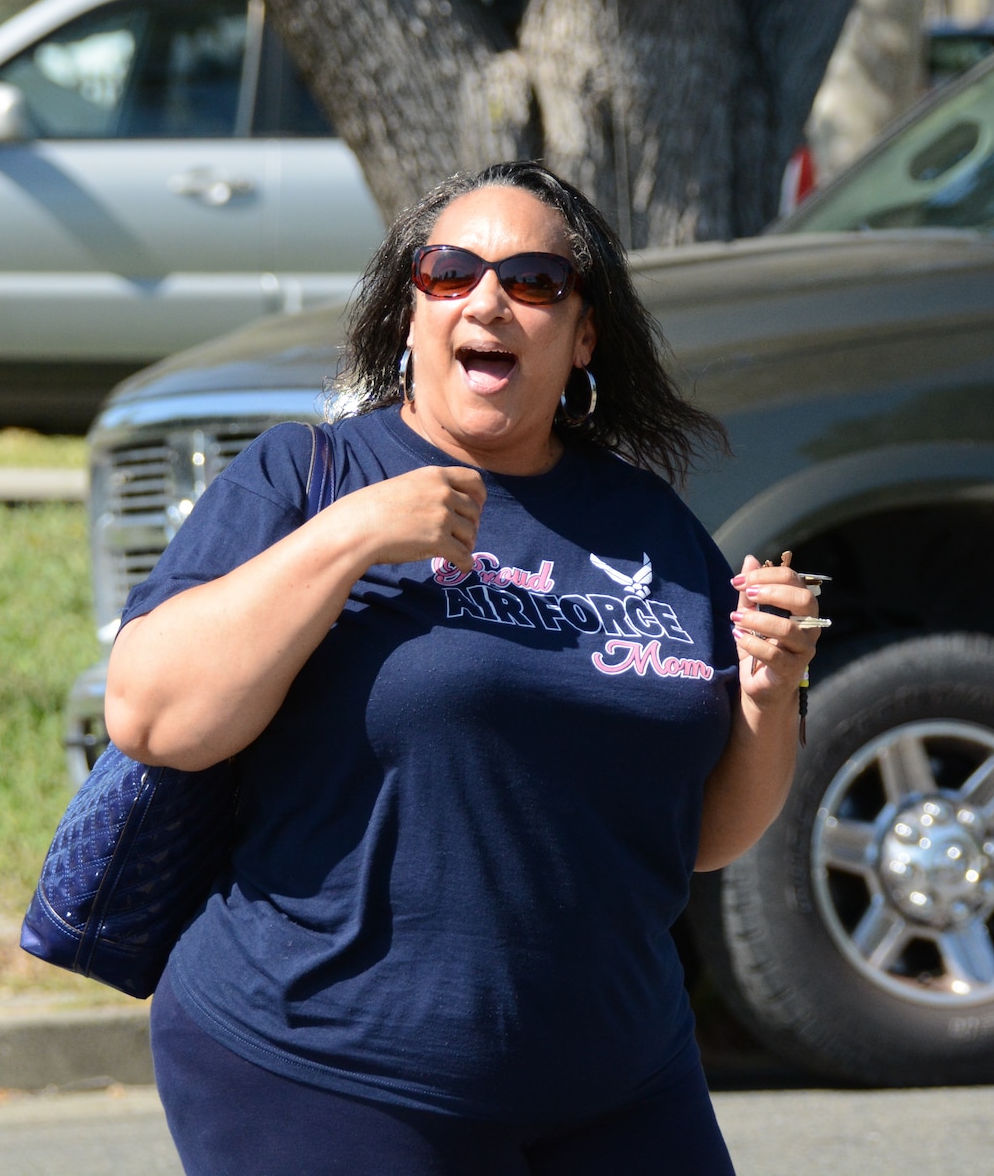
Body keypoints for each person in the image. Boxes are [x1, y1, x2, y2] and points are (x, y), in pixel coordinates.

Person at [106, 160, 821, 1175]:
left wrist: (767, 690)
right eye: (449, 272)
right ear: (410, 313)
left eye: (533, 282)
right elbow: (150, 717)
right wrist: (349, 538)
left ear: (582, 337)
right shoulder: (309, 481)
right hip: (331, 1071)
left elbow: (700, 837)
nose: (487, 299)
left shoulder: (650, 526)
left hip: (619, 1080)